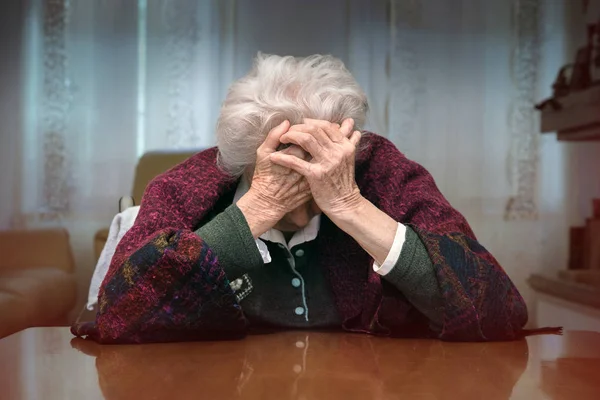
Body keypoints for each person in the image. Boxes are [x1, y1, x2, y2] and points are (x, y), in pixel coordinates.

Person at [72, 54, 531, 344]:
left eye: (323, 163)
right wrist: (254, 209)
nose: (306, 187)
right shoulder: (186, 186)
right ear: (244, 160)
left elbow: (499, 309)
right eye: (284, 166)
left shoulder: (384, 173)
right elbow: (118, 316)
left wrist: (350, 205)